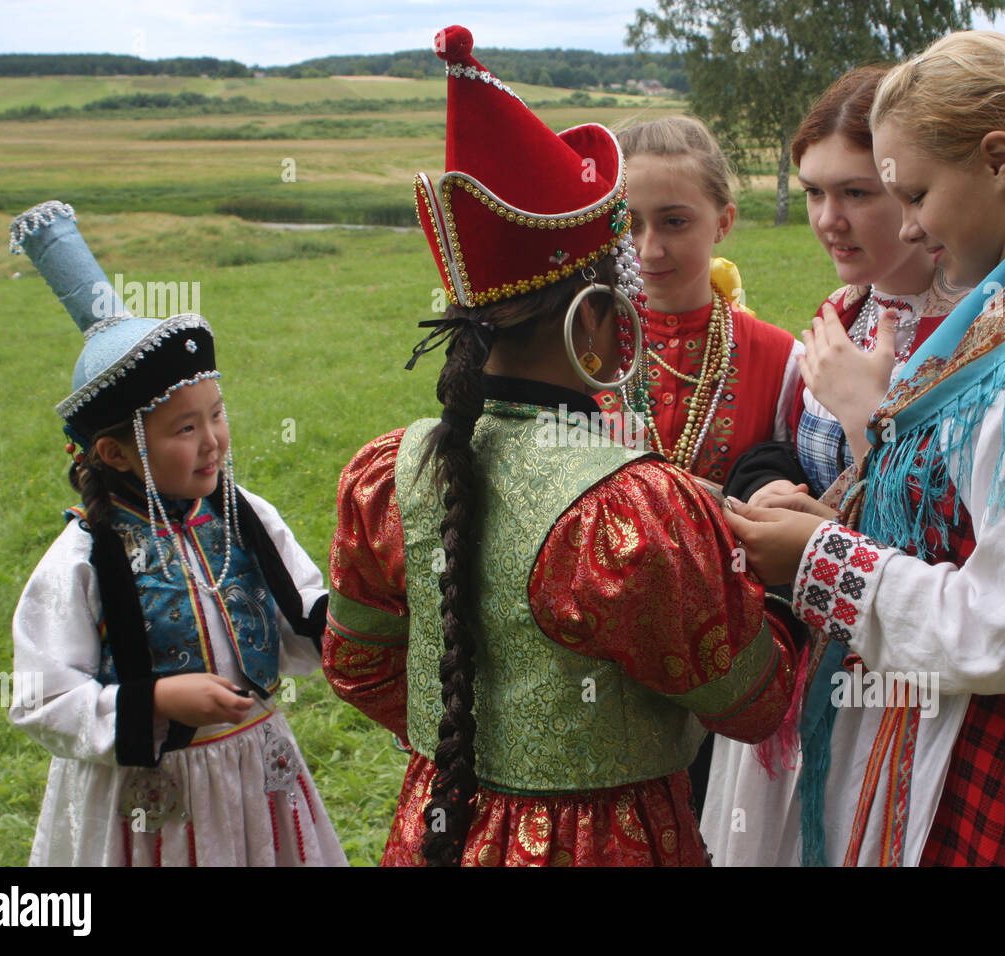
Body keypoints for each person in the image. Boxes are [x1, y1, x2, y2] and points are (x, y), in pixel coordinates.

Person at [321, 26, 796, 867]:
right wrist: (788, 581)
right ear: (598, 324)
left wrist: (478, 749)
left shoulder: (386, 474)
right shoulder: (631, 508)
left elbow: (359, 666)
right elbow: (751, 701)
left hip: (436, 823)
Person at [723, 31, 1005, 866]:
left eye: (918, 191)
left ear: (1000, 160)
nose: (913, 223)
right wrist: (830, 510)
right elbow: (951, 514)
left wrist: (822, 561)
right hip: (961, 714)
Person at [9, 201, 345, 866]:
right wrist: (156, 699)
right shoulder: (83, 559)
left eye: (216, 415)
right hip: (150, 800)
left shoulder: (243, 514)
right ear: (114, 453)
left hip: (259, 771)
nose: (213, 441)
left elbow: (305, 618)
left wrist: (374, 601)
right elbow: (43, 699)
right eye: (184, 429)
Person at [700, 65, 963, 866]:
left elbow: (958, 538)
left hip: (903, 675)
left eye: (856, 194)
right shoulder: (847, 310)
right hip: (817, 643)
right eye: (814, 193)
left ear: (918, 190)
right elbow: (786, 442)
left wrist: (864, 421)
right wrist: (769, 485)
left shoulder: (971, 329)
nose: (828, 220)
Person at [610, 114, 806, 812]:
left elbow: (795, 507)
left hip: (728, 670)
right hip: (597, 671)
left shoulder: (781, 360)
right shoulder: (575, 348)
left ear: (722, 222)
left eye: (674, 222)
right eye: (627, 224)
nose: (649, 248)